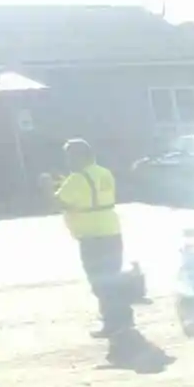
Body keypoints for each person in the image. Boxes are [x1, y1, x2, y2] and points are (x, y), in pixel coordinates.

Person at [52, 138, 133, 337]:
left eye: (70, 156)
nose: (68, 160)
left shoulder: (78, 177)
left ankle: (112, 324)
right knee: (112, 277)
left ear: (79, 156)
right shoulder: (104, 173)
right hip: (112, 231)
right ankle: (124, 319)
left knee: (99, 282)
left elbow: (58, 202)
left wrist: (46, 186)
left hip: (92, 236)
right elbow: (91, 195)